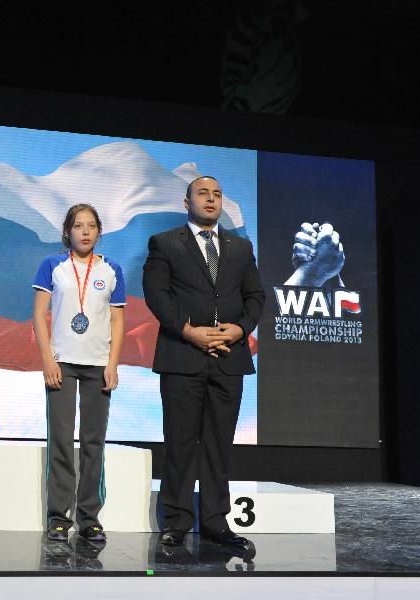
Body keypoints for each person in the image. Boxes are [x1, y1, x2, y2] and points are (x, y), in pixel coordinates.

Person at [142, 176, 264, 548]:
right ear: (187, 202)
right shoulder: (165, 243)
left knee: (218, 445)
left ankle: (215, 522)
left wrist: (238, 330)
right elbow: (156, 294)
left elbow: (256, 296)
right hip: (182, 356)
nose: (211, 199)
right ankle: (177, 521)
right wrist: (189, 331)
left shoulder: (241, 247)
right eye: (203, 194)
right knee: (180, 444)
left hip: (228, 358)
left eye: (217, 194)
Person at [32, 203, 125, 543]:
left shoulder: (112, 269)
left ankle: (89, 517)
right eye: (78, 226)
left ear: (99, 231)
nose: (85, 231)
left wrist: (113, 364)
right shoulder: (52, 266)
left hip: (98, 365)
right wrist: (48, 360)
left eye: (91, 226)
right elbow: (38, 315)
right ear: (67, 232)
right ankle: (59, 516)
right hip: (62, 363)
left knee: (93, 442)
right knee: (60, 439)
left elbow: (118, 320)